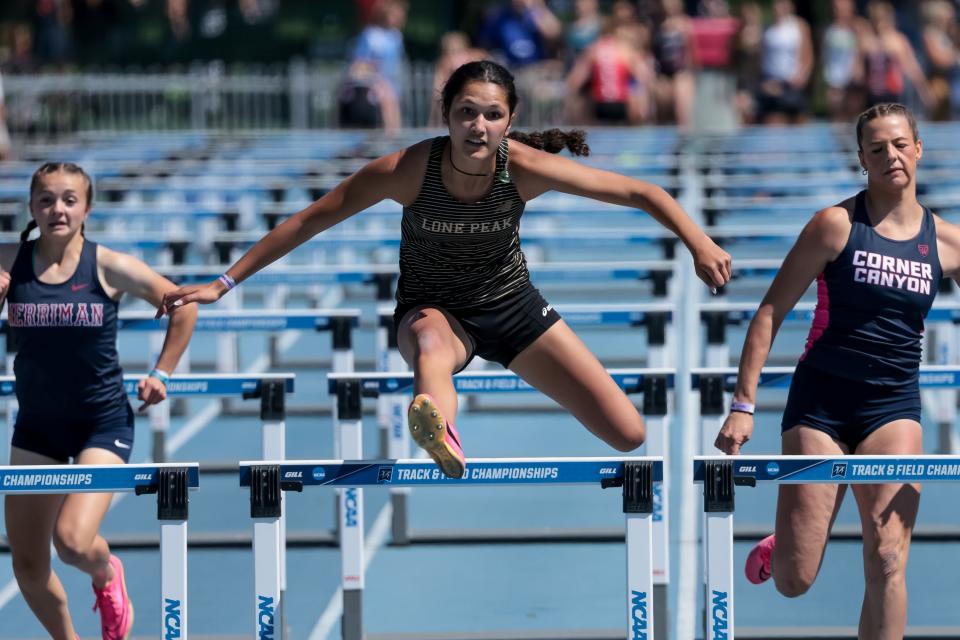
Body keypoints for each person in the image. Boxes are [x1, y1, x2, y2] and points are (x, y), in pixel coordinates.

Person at [157, 60, 731, 479]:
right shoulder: (405, 170)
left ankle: (439, 417)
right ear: (447, 116)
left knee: (627, 434)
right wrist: (223, 282)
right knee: (431, 347)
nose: (477, 126)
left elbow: (640, 191)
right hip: (434, 310)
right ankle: (440, 430)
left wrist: (697, 240)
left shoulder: (525, 169)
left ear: (509, 122)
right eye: (466, 113)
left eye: (491, 115)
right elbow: (309, 221)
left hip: (512, 306)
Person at [714, 103, 960, 639]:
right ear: (862, 160)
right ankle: (788, 543)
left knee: (889, 558)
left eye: (899, 144)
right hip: (821, 407)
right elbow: (769, 312)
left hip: (892, 407)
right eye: (877, 149)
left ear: (918, 149)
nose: (890, 156)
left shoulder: (947, 241)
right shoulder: (835, 226)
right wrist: (742, 405)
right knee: (795, 580)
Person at [4, 162, 197, 640]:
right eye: (46, 200)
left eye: (69, 199)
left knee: (70, 542)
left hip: (101, 423)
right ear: (31, 207)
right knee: (28, 564)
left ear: (87, 208)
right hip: (37, 427)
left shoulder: (108, 265)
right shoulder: (9, 262)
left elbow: (184, 304)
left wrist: (162, 373)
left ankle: (106, 574)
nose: (57, 209)